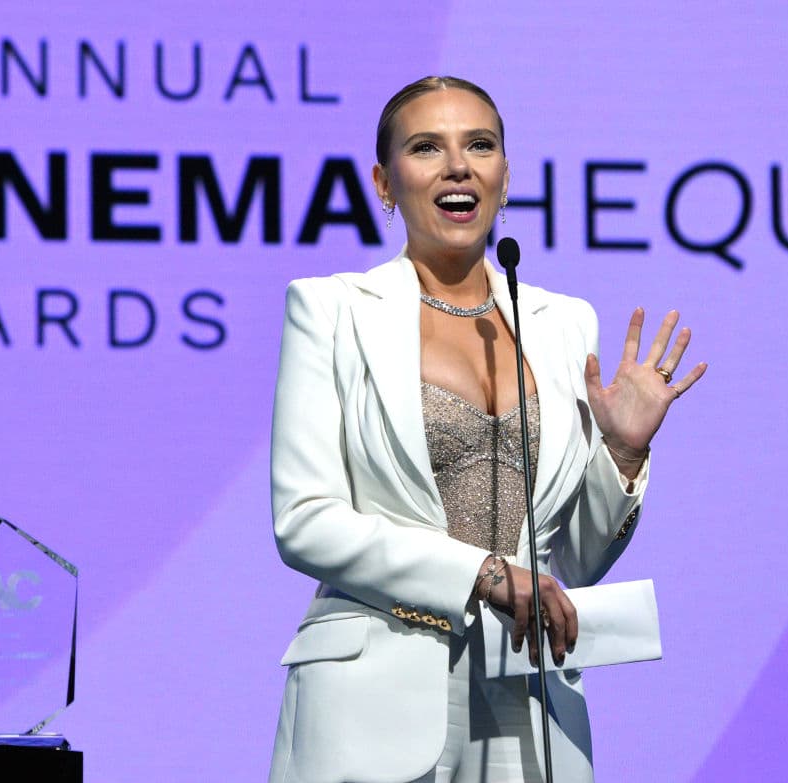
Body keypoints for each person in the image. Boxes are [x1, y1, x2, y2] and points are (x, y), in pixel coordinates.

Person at [267, 76, 706, 783]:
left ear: (503, 176)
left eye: (480, 145)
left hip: (529, 701)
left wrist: (622, 450)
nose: (458, 166)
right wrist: (484, 573)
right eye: (425, 148)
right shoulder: (332, 310)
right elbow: (304, 521)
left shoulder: (563, 324)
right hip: (372, 698)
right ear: (385, 183)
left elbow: (578, 562)